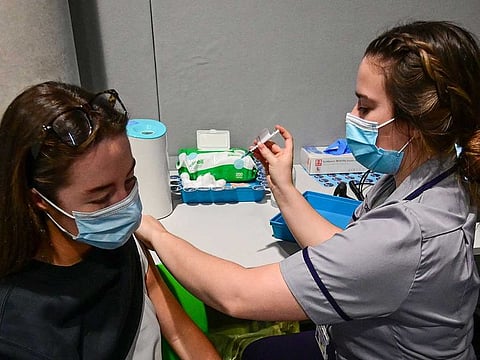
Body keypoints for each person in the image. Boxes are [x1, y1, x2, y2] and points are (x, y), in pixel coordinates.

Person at [135, 20, 480, 359]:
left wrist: (158, 234)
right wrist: (283, 186)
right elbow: (347, 255)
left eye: (365, 106)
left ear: (414, 122)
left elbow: (235, 295)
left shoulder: (408, 232)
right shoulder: (430, 176)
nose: (352, 115)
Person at [0, 81, 220, 359]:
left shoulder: (119, 240)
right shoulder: (20, 334)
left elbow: (177, 331)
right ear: (39, 200)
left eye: (129, 181)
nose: (124, 206)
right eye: (101, 198)